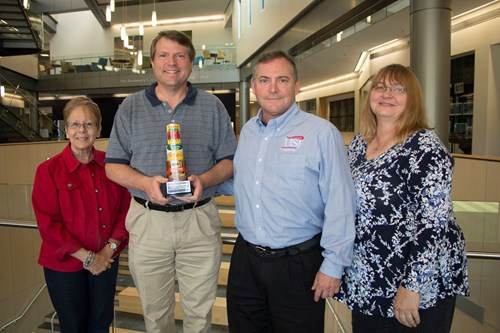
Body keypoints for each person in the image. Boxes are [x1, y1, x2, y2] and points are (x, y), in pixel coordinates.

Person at [105, 30, 237, 333]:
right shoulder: (130, 107)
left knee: (200, 315)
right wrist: (144, 183)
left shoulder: (213, 106)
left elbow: (228, 162)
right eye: (163, 55)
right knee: (154, 315)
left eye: (180, 55)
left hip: (199, 220)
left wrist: (204, 179)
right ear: (152, 62)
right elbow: (113, 167)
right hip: (148, 221)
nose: (172, 62)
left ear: (191, 62)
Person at [226, 50, 356, 333]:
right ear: (254, 87)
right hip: (246, 261)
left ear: (297, 86)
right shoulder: (248, 132)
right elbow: (244, 183)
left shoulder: (322, 133)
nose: (272, 88)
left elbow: (341, 202)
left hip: (298, 265)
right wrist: (202, 183)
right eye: (264, 80)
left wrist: (333, 265)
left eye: (282, 80)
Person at [335, 64, 469, 333]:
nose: (387, 94)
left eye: (399, 89)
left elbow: (434, 225)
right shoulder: (361, 143)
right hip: (368, 280)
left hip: (415, 287)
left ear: (413, 100)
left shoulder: (425, 148)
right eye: (381, 87)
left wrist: (412, 287)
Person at [32, 97, 130, 332]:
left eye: (88, 124)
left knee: (100, 324)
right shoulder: (48, 171)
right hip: (64, 266)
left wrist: (107, 252)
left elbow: (126, 211)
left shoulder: (113, 167)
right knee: (73, 326)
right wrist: (88, 258)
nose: (82, 131)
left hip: (106, 262)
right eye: (75, 124)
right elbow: (48, 226)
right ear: (66, 130)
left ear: (98, 129)